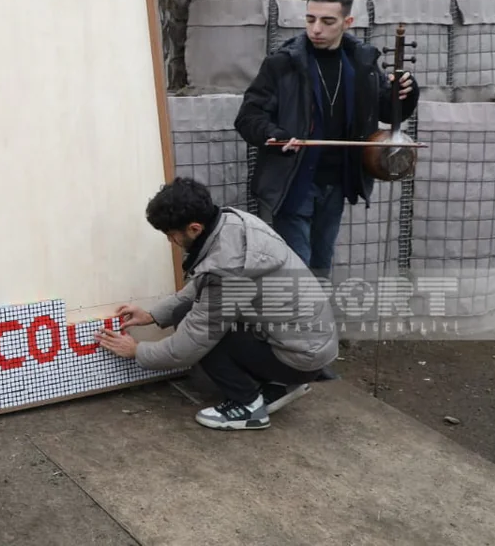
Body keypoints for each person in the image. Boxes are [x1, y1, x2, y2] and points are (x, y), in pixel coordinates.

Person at [97, 177, 339, 431]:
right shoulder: (232, 224)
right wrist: (153, 315)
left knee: (198, 331)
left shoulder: (229, 268)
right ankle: (281, 385)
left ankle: (248, 405)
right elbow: (204, 283)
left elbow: (189, 345)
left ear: (194, 228)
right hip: (309, 345)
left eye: (171, 235)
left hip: (299, 357)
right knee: (187, 314)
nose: (170, 241)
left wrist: (137, 351)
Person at [233, 0, 420, 277]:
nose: (316, 29)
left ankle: (316, 308)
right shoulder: (283, 63)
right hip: (292, 180)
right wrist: (276, 135)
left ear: (347, 22)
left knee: (321, 263)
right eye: (310, 19)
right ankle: (301, 308)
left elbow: (386, 112)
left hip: (336, 182)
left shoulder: (362, 62)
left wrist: (407, 93)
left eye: (327, 21)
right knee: (297, 269)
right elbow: (248, 116)